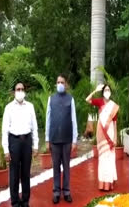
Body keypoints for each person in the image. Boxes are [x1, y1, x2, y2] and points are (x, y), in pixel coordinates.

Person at [2, 82, 39, 207]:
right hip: (14, 141)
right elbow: (4, 130)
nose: (20, 91)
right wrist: (6, 150)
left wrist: (36, 145)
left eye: (22, 89)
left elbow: (34, 126)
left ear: (25, 91)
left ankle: (25, 200)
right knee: (14, 173)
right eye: (18, 89)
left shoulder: (30, 106)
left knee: (26, 172)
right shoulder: (9, 108)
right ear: (14, 92)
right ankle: (15, 201)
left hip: (27, 141)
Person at [45, 74, 78, 204]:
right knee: (56, 167)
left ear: (66, 84)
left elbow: (73, 119)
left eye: (62, 82)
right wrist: (47, 139)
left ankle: (67, 191)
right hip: (54, 139)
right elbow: (48, 119)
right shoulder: (50, 99)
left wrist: (74, 139)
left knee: (66, 166)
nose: (60, 84)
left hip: (67, 139)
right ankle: (56, 192)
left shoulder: (70, 99)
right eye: (58, 82)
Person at [86, 84, 119, 191]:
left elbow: (114, 124)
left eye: (109, 90)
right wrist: (95, 90)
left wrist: (115, 138)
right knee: (103, 159)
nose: (107, 91)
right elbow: (88, 100)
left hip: (110, 133)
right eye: (105, 90)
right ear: (103, 91)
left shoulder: (113, 106)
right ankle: (102, 183)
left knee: (110, 159)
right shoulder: (99, 101)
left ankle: (109, 183)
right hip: (101, 135)